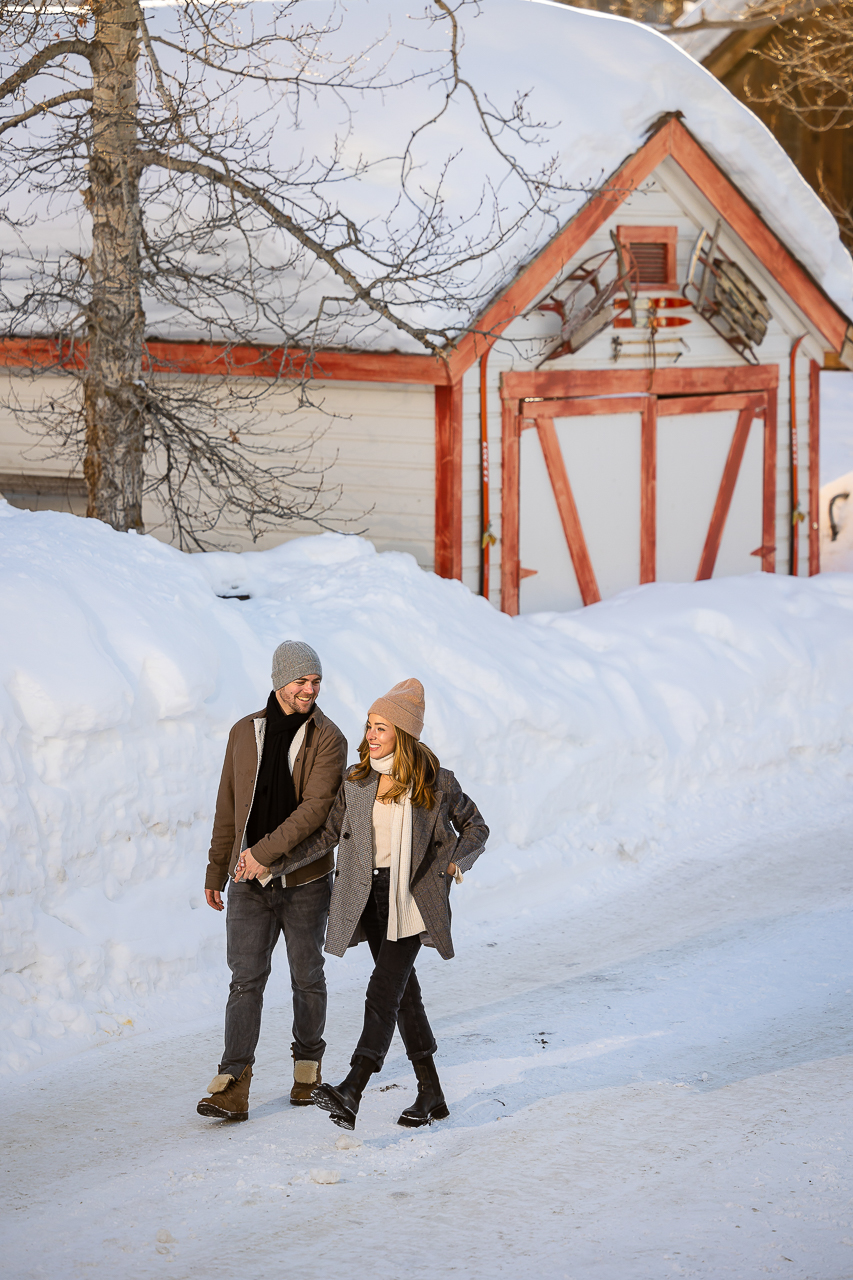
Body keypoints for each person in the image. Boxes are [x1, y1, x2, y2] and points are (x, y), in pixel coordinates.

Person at [283, 677, 488, 1131]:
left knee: (382, 991)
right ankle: (431, 1091)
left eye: (380, 728)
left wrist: (454, 864)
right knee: (403, 994)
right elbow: (327, 835)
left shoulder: (435, 783)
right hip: (369, 898)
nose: (370, 736)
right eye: (369, 726)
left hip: (412, 899)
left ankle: (353, 1087)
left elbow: (475, 828)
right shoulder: (358, 781)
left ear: (403, 733)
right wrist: (270, 862)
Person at [196, 640, 348, 1122]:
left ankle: (308, 1068)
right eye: (301, 680)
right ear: (279, 681)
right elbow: (228, 803)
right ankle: (232, 1082)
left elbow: (314, 811)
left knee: (307, 976)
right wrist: (218, 868)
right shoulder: (245, 732)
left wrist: (262, 855)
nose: (310, 688)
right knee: (245, 980)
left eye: (316, 680)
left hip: (304, 880)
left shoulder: (329, 738)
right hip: (247, 882)